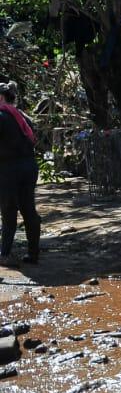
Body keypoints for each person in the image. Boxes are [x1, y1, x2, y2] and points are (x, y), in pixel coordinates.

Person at [0, 80, 39, 266]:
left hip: (9, 169)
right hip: (29, 167)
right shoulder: (23, 117)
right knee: (28, 210)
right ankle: (33, 254)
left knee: (8, 212)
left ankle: (4, 254)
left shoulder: (1, 116)